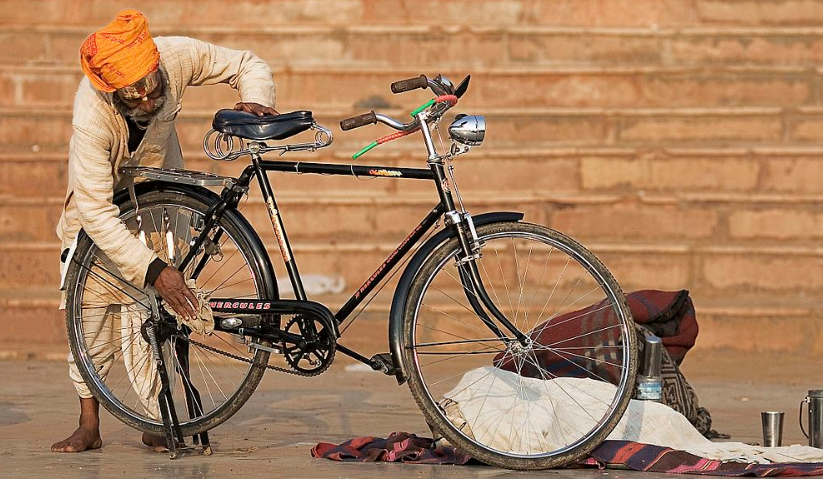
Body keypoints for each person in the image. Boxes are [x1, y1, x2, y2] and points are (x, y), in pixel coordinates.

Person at [51, 9, 278, 453]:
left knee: (154, 317)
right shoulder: (91, 117)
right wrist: (152, 269)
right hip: (98, 215)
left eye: (153, 88)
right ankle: (88, 423)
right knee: (89, 317)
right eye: (135, 97)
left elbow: (247, 63)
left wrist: (254, 99)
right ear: (113, 94)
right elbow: (96, 212)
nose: (149, 101)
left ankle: (158, 417)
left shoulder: (174, 57)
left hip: (158, 204)